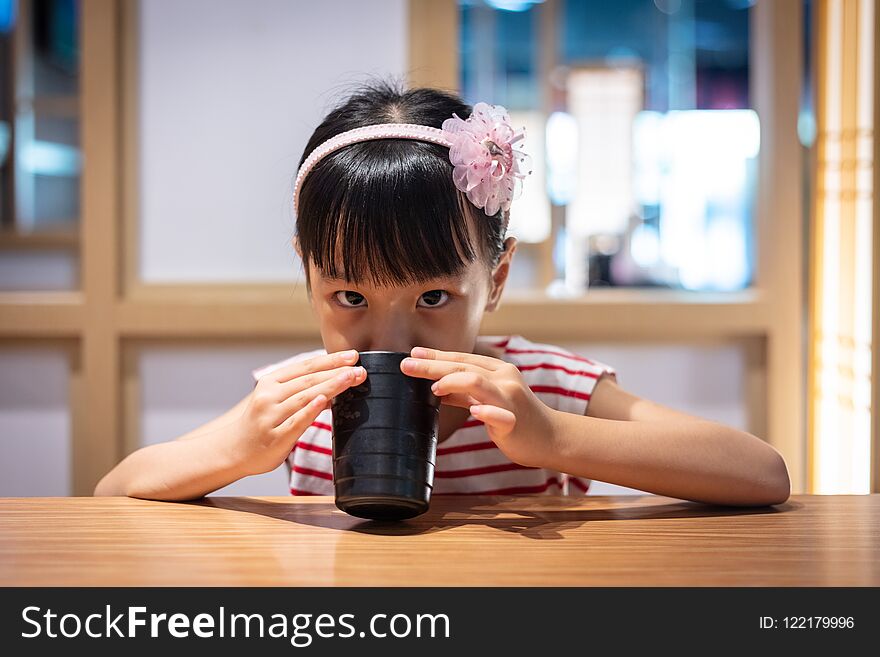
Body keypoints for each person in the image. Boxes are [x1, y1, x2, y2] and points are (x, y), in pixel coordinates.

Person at [94, 82, 790, 506]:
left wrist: (552, 435)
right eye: (349, 297)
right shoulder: (297, 399)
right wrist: (241, 447)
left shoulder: (543, 385)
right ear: (307, 275)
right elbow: (114, 492)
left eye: (432, 297)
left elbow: (761, 473)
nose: (391, 342)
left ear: (497, 277)